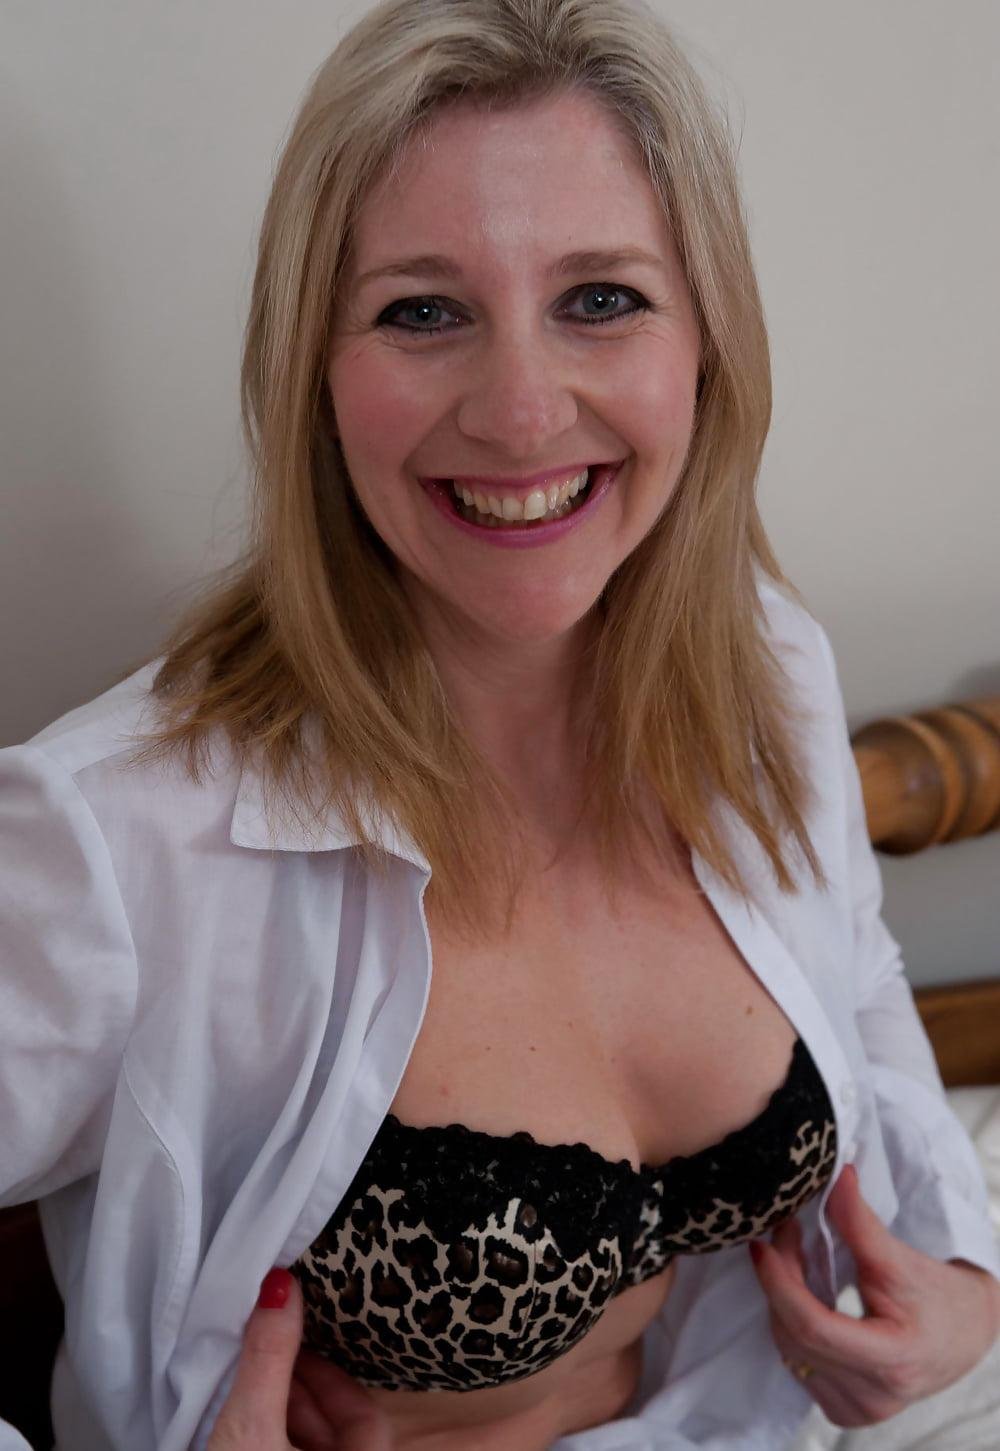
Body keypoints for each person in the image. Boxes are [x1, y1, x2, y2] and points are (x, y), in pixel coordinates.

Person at [1, 0, 998, 1447]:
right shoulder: (114, 839)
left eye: (600, 299)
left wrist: (963, 1273)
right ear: (314, 373)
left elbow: (858, 963)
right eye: (422, 311)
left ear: (707, 343)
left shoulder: (766, 669)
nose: (523, 414)